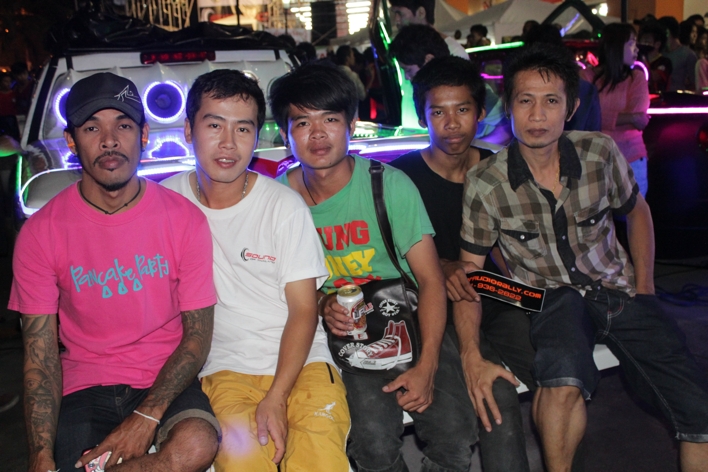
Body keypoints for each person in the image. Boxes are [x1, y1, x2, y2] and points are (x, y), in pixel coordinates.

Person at [457, 42, 708, 472]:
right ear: (510, 107)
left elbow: (638, 212)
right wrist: (470, 353)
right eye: (525, 101)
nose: (538, 115)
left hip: (617, 291)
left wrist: (645, 288)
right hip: (548, 298)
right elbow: (470, 274)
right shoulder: (485, 181)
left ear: (571, 108)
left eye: (551, 101)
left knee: (698, 410)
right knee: (561, 377)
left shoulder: (600, 152)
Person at [9, 72, 220, 472]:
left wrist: (146, 416)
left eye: (123, 126)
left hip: (165, 377)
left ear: (144, 135)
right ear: (71, 141)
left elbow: (197, 337)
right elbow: (40, 357)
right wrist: (40, 455)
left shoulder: (183, 219)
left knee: (197, 443)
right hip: (83, 385)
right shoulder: (41, 233)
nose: (109, 140)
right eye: (92, 128)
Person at [272, 62, 478, 472]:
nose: (318, 134)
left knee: (455, 436)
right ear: (284, 134)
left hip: (409, 315)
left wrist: (427, 366)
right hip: (340, 333)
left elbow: (430, 281)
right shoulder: (279, 201)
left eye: (330, 119)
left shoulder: (389, 185)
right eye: (302, 123)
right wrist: (322, 301)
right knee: (373, 445)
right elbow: (277, 286)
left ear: (352, 125)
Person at [161, 69, 350, 471]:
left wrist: (277, 396)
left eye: (243, 129)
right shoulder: (165, 203)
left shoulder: (283, 206)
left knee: (320, 461)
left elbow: (304, 310)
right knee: (245, 462)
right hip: (225, 369)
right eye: (214, 125)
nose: (228, 143)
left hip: (304, 363)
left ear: (257, 137)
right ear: (188, 130)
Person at [390, 56, 535, 472]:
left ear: (481, 112)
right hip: (435, 308)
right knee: (497, 393)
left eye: (462, 109)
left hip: (498, 299)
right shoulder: (400, 178)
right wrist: (443, 265)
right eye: (438, 112)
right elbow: (392, 258)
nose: (451, 124)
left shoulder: (499, 169)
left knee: (558, 374)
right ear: (423, 117)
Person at [390, 24, 510, 142]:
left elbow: (507, 127)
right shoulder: (426, 92)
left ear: (428, 60)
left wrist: (474, 150)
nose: (406, 77)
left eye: (408, 70)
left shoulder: (468, 87)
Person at [582, 23, 650, 196]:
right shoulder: (587, 76)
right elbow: (585, 116)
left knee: (635, 211)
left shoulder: (637, 77)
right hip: (595, 160)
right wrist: (629, 118)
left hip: (632, 159)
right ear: (616, 46)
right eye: (632, 43)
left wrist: (602, 118)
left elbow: (639, 115)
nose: (636, 49)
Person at [524, 24, 601, 132]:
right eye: (526, 101)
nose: (538, 116)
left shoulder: (521, 86)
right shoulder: (586, 89)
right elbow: (594, 131)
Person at [388, 0, 468, 58]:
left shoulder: (453, 51)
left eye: (400, 14)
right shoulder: (404, 48)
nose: (396, 20)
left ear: (421, 13)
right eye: (394, 13)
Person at [659, 16, 698, 91]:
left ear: (667, 32)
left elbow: (694, 84)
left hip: (679, 97)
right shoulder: (660, 52)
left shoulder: (688, 55)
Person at [638, 22, 673, 93]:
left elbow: (654, 77)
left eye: (647, 41)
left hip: (658, 98)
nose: (643, 44)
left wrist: (642, 60)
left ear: (657, 44)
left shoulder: (665, 62)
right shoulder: (637, 59)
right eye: (641, 41)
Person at [0, 73, 20, 142]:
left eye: (10, 81)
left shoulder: (14, 93)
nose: (8, 84)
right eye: (6, 81)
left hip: (12, 119)